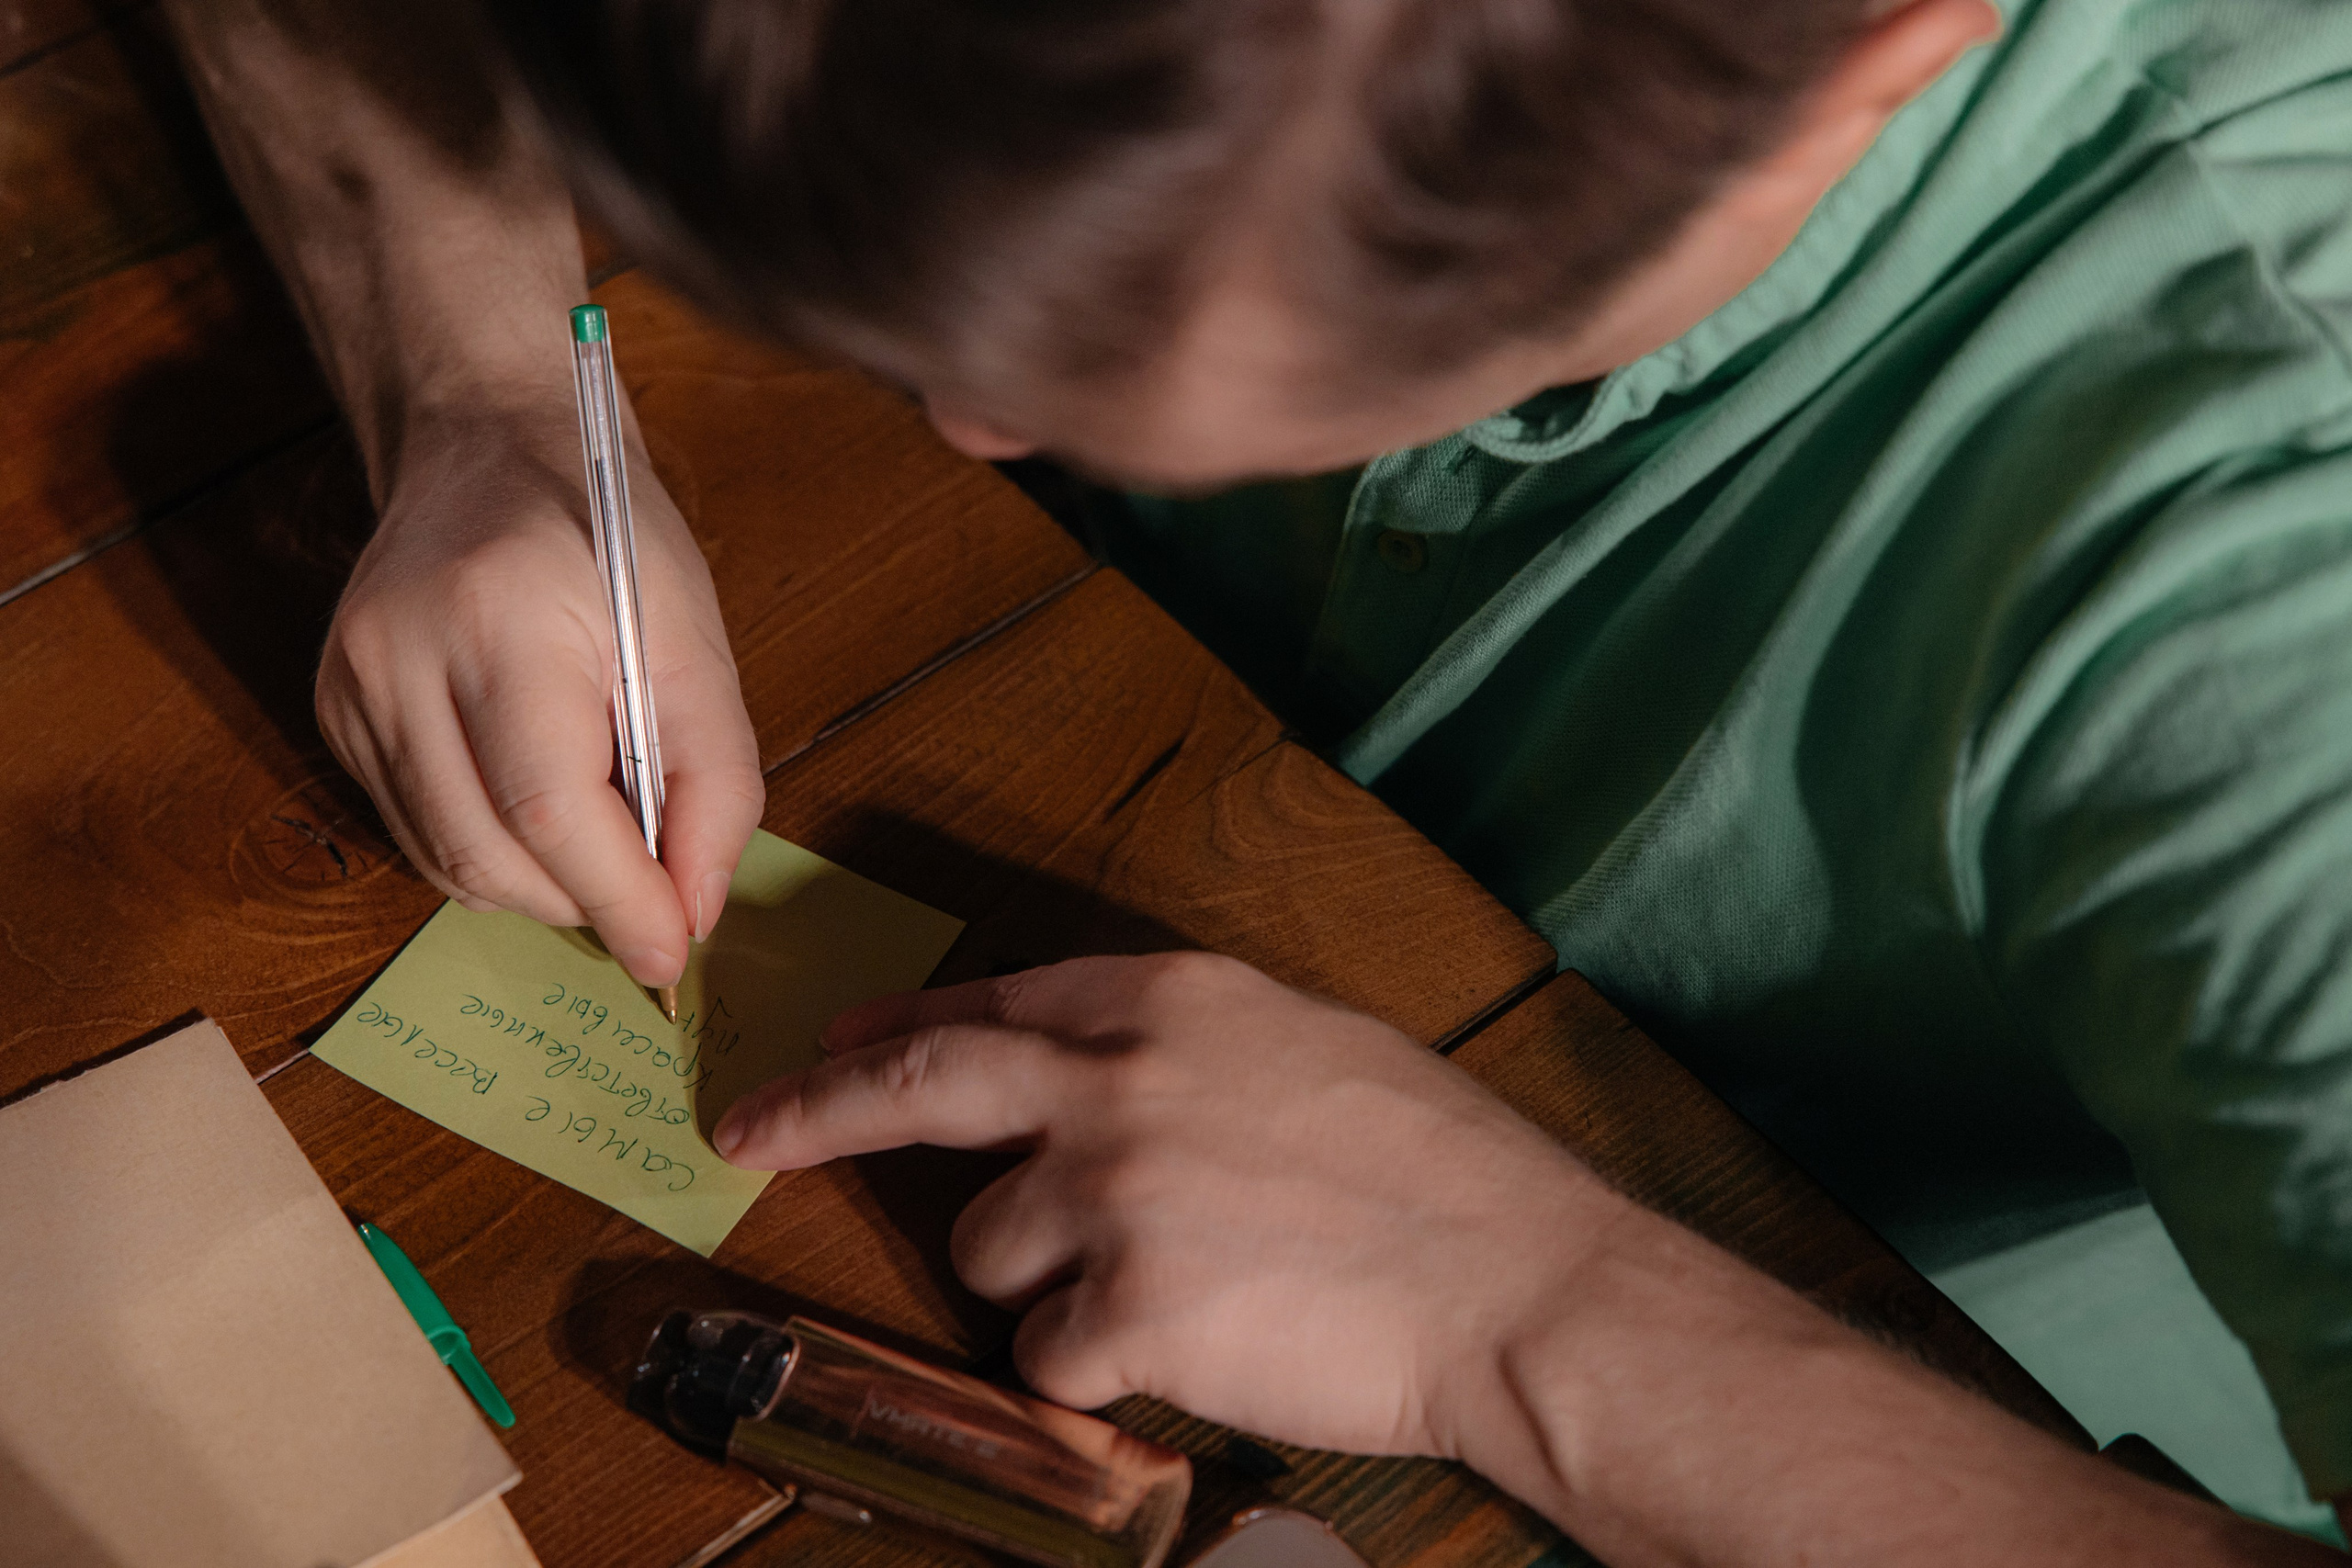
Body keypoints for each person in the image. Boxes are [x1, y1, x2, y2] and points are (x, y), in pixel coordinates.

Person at [160, 0, 2352, 1559]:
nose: (961, 417)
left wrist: (1534, 1311)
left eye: (1103, 324)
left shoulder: (2278, 581)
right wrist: (476, 392)